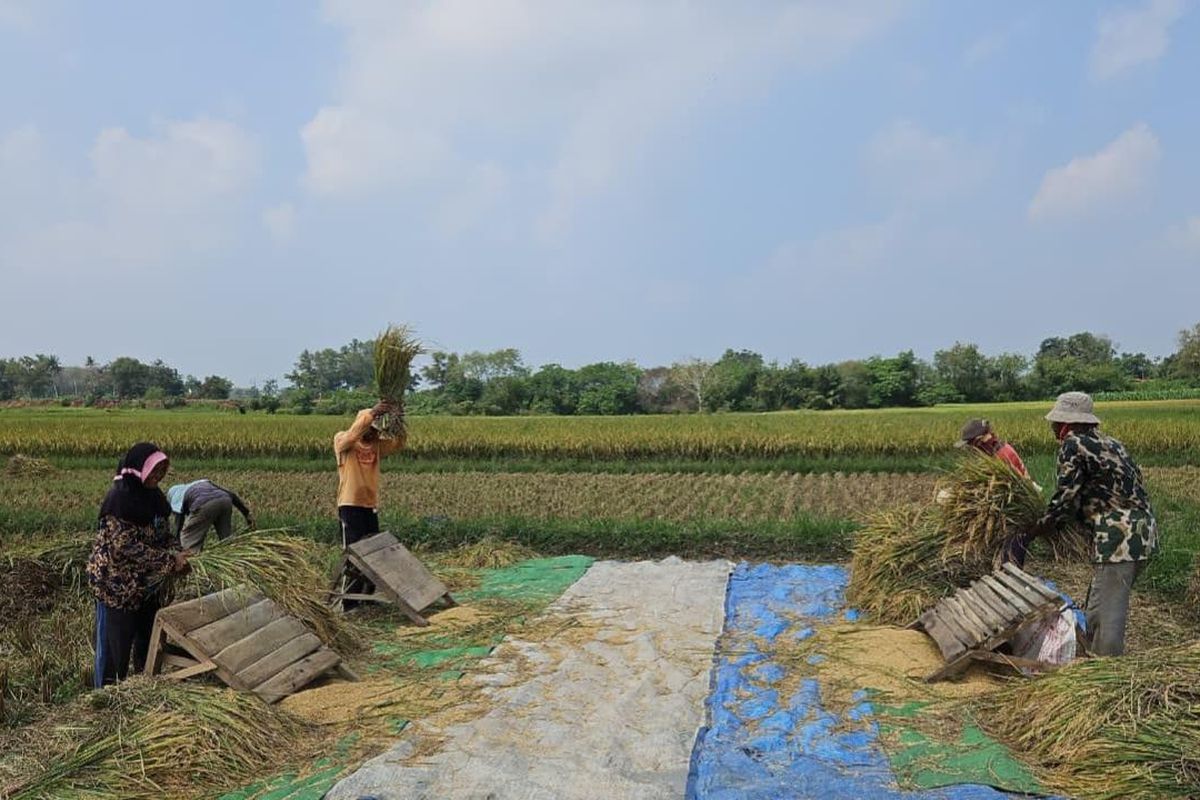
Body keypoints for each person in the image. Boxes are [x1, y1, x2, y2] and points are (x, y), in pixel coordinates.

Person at [1034, 392, 1158, 656]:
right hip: (1144, 530)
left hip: (1118, 536)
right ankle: (1090, 655)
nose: (1053, 427)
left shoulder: (1073, 444)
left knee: (1107, 613)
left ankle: (1105, 674)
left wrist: (1040, 526)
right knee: (1098, 600)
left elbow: (1066, 496)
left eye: (1056, 422)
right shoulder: (1113, 443)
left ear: (1067, 424)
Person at [87, 443, 191, 687]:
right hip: (116, 586)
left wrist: (178, 551)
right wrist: (168, 561)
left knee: (147, 636)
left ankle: (143, 685)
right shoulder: (119, 499)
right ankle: (107, 694)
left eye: (163, 470)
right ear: (138, 470)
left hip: (147, 584)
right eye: (154, 470)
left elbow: (163, 534)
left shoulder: (154, 497)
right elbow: (124, 546)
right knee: (115, 647)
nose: (159, 476)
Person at [334, 401, 405, 605]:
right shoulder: (343, 440)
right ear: (361, 425)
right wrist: (372, 413)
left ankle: (367, 597)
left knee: (373, 553)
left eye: (374, 429)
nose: (372, 433)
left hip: (369, 505)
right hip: (350, 505)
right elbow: (351, 436)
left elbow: (398, 443)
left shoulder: (376, 445)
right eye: (368, 427)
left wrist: (398, 420)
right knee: (354, 555)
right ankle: (349, 602)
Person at [166, 479, 255, 550]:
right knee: (226, 540)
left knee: (187, 537)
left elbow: (179, 526)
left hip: (204, 503)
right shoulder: (200, 483)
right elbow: (232, 495)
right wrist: (246, 514)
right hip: (225, 500)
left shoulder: (176, 498)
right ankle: (232, 560)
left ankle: (193, 564)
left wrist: (177, 544)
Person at [956, 418, 1029, 477]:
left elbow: (1017, 483)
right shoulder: (992, 451)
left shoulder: (1003, 454)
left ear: (979, 439)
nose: (973, 448)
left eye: (971, 444)